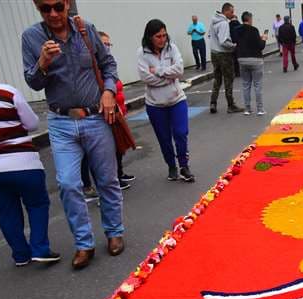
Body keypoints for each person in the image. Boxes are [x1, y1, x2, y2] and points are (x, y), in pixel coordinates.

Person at [22, 0, 125, 269]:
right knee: (68, 184)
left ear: (67, 3)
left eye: (58, 6)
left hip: (95, 117)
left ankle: (114, 232)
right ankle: (84, 243)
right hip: (61, 122)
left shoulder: (85, 29)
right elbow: (32, 81)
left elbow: (108, 65)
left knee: (107, 180)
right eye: (46, 8)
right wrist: (43, 63)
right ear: (37, 7)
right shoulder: (32, 38)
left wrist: (108, 91)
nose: (53, 13)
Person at [0, 49, 60, 267]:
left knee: (6, 210)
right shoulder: (7, 92)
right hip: (22, 163)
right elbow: (32, 123)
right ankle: (40, 249)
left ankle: (20, 255)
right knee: (37, 204)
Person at [137, 19, 193, 183]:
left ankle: (184, 166)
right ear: (150, 37)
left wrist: (159, 71)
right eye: (158, 36)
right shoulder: (142, 53)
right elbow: (146, 78)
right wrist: (169, 77)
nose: (162, 39)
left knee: (181, 133)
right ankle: (171, 166)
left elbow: (179, 70)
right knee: (164, 138)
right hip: (155, 105)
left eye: (164, 35)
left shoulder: (172, 48)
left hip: (177, 100)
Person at [81, 31, 133, 202]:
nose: (107, 47)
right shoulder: (92, 68)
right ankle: (94, 188)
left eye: (109, 44)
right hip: (99, 117)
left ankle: (118, 175)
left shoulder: (108, 66)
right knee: (99, 156)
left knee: (117, 148)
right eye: (104, 44)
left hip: (116, 112)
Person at [209, 2, 241, 114]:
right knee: (229, 79)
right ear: (226, 11)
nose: (233, 14)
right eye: (231, 12)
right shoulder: (224, 24)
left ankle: (213, 102)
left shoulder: (213, 21)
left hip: (214, 53)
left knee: (217, 78)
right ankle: (231, 105)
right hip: (224, 54)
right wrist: (233, 46)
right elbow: (224, 41)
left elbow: (210, 36)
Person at [234, 11, 266, 116]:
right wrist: (264, 39)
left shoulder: (237, 30)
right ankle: (260, 109)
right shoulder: (254, 30)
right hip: (255, 59)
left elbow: (235, 42)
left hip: (242, 59)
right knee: (257, 85)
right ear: (249, 19)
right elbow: (260, 46)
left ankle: (247, 109)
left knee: (246, 85)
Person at [229, 13, 241, 78]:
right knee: (240, 57)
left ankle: (236, 72)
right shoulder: (239, 24)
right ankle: (240, 71)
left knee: (233, 58)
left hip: (232, 44)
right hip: (239, 43)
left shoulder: (228, 25)